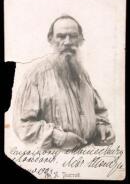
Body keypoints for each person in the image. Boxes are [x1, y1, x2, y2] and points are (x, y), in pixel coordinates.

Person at [13, 15, 115, 149]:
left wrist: (102, 126)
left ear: (81, 40)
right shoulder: (35, 76)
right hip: (52, 161)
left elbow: (99, 111)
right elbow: (23, 125)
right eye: (61, 36)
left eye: (73, 36)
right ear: (51, 40)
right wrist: (60, 138)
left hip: (89, 158)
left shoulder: (82, 74)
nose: (67, 42)